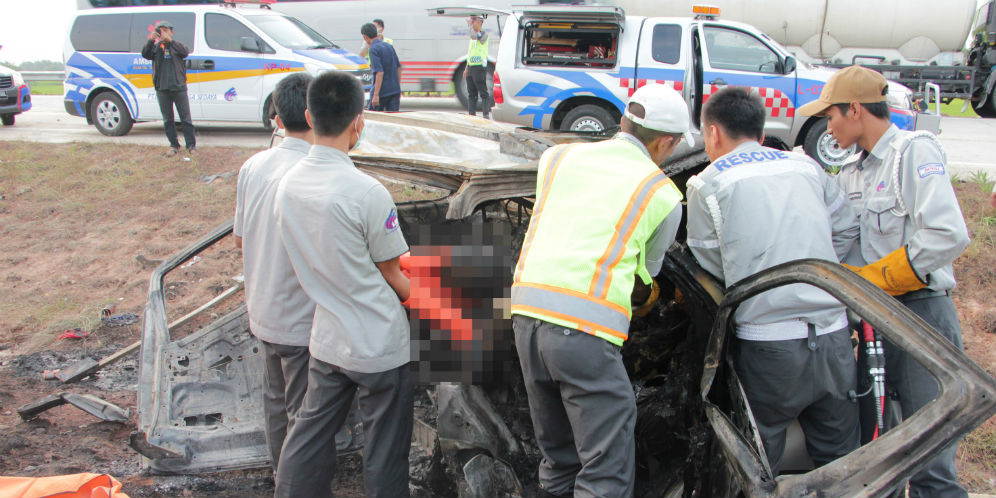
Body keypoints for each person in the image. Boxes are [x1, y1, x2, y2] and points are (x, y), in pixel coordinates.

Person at [799, 64, 971, 498]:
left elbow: (947, 234)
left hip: (920, 317)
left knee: (929, 457)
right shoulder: (853, 173)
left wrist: (875, 279)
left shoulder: (913, 153)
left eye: (831, 116)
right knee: (880, 460)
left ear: (855, 109)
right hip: (876, 323)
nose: (827, 127)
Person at [510, 84, 688, 498]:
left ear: (624, 121)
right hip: (583, 332)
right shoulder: (662, 193)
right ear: (666, 142)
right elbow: (646, 280)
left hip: (525, 318)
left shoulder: (557, 157)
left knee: (559, 456)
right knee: (604, 469)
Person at [685, 87, 861, 475]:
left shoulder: (706, 184)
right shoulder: (807, 167)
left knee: (760, 465)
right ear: (760, 133)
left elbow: (710, 263)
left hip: (769, 349)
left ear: (713, 133)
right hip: (834, 338)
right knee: (842, 460)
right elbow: (848, 228)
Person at [273, 71, 412, 498]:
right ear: (359, 121)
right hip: (378, 347)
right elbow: (393, 274)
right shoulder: (367, 192)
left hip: (327, 340)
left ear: (310, 116)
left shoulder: (287, 186)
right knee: (384, 452)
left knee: (308, 436)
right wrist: (441, 303)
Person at [233, 72, 315, 472]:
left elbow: (241, 239)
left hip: (263, 311)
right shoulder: (317, 172)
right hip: (304, 320)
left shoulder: (253, 167)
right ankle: (296, 484)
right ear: (314, 114)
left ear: (278, 118)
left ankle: (279, 475)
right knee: (305, 414)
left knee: (276, 402)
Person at [141, 20, 195, 157]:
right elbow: (145, 54)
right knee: (167, 119)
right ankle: (174, 145)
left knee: (186, 119)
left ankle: (191, 146)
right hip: (162, 88)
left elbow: (185, 52)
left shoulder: (176, 46)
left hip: (178, 87)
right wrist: (150, 40)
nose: (164, 32)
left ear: (172, 31)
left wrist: (170, 41)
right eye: (161, 30)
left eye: (166, 30)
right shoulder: (156, 47)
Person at [361, 22, 402, 111]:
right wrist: (397, 86)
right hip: (394, 91)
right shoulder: (389, 46)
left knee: (373, 119)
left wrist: (376, 95)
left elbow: (379, 72)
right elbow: (399, 67)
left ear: (365, 36)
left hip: (381, 92)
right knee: (393, 120)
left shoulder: (373, 48)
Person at [464, 15, 491, 118]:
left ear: (480, 23)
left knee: (483, 92)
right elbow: (470, 53)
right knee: (471, 93)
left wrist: (469, 25)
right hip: (471, 67)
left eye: (474, 21)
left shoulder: (484, 35)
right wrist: (467, 67)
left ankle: (485, 115)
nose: (472, 23)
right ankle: (471, 115)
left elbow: (474, 36)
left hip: (479, 67)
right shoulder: (473, 37)